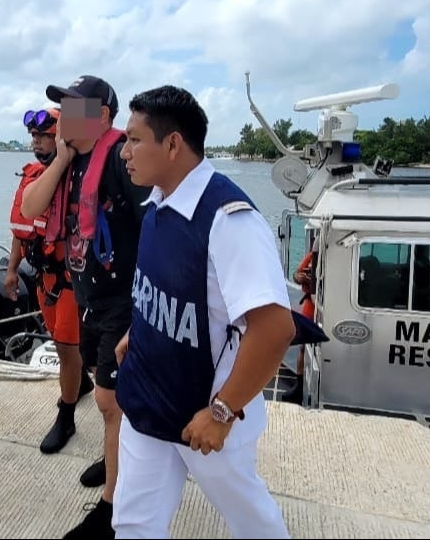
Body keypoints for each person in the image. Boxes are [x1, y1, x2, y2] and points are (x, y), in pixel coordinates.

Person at [112, 85, 294, 538]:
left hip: (207, 413)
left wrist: (222, 413)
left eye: (134, 140)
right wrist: (139, 332)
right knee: (132, 522)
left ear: (173, 144)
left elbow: (273, 329)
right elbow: (164, 287)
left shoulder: (230, 221)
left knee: (251, 519)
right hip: (150, 400)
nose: (123, 153)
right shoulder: (157, 204)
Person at [19, 75, 152, 539]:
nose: (62, 118)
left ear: (101, 117)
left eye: (73, 110)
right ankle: (116, 454)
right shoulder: (71, 162)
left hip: (122, 300)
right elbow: (32, 208)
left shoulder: (120, 158)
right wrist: (59, 157)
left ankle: (111, 512)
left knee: (109, 401)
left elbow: (154, 227)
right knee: (107, 398)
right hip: (89, 297)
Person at [3, 106, 94, 454]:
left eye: (44, 135)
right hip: (43, 278)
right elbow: (21, 229)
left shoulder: (84, 177)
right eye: (34, 136)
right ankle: (81, 385)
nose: (36, 142)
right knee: (59, 342)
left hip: (71, 280)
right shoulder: (30, 177)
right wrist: (12, 271)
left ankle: (66, 416)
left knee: (67, 348)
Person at [284, 247, 317, 404]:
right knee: (303, 347)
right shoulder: (312, 256)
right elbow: (296, 274)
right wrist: (301, 277)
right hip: (310, 304)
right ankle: (300, 386)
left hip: (327, 305)